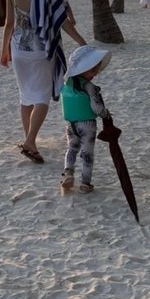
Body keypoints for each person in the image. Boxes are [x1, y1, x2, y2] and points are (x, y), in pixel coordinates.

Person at [0, 0, 86, 164]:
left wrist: (4, 50)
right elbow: (61, 22)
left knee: (26, 96)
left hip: (18, 49)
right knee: (42, 97)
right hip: (41, 49)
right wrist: (80, 40)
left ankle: (30, 139)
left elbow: (9, 23)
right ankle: (30, 141)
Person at [59, 46, 112, 193]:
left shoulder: (67, 84)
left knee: (71, 148)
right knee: (87, 154)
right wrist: (105, 114)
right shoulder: (89, 86)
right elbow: (96, 107)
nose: (95, 74)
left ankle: (68, 173)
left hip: (71, 124)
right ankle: (85, 183)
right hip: (87, 124)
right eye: (92, 70)